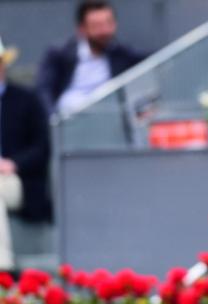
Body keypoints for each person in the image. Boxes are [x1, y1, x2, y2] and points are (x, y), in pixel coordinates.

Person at [36, 0, 146, 115]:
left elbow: (151, 61)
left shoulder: (120, 53)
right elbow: (43, 90)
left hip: (109, 116)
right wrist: (52, 119)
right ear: (82, 29)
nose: (105, 31)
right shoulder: (60, 54)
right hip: (69, 118)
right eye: (97, 26)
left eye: (109, 23)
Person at [0, 37, 51, 271]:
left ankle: (3, 268)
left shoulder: (26, 100)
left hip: (17, 179)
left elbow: (42, 147)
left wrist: (12, 164)